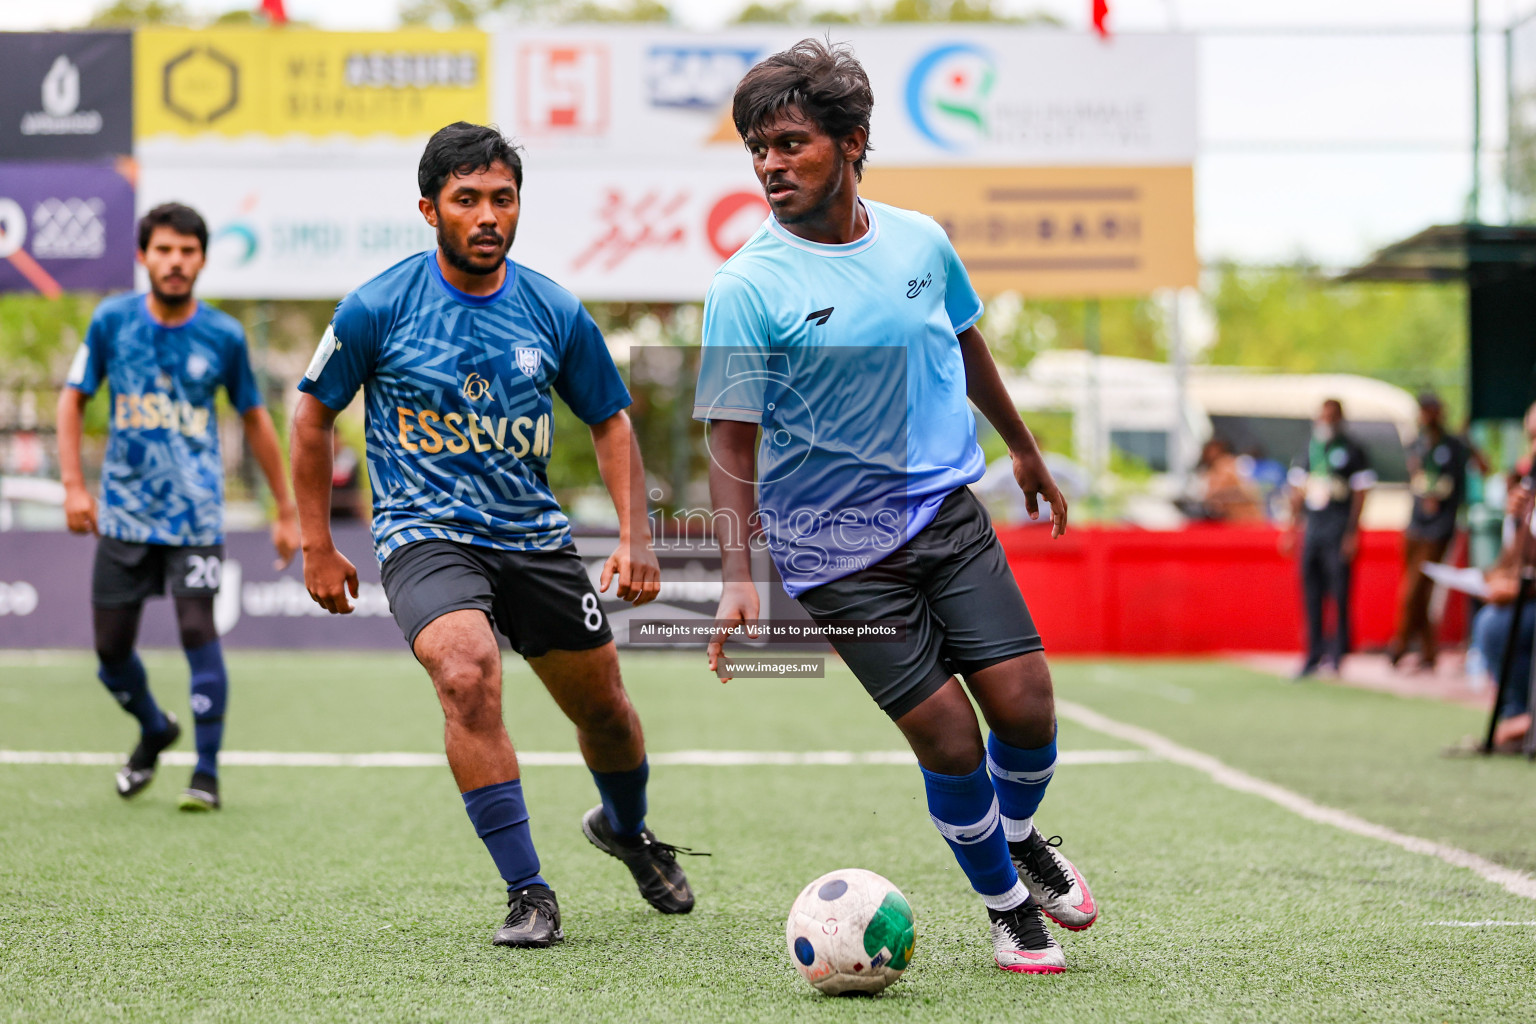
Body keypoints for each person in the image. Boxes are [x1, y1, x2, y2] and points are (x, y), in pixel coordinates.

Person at [695, 41, 1095, 976]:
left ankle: (1023, 838)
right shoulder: (746, 286)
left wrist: (1024, 447)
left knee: (1027, 708)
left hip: (944, 515)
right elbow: (730, 443)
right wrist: (736, 581)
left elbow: (966, 342)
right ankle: (1007, 908)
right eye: (758, 147)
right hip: (834, 555)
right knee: (950, 736)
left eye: (790, 142)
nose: (770, 163)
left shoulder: (920, 241)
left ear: (852, 142)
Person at [289, 122, 699, 950]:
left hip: (534, 539)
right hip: (424, 533)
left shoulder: (553, 309)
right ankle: (528, 891)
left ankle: (627, 829)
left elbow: (612, 421)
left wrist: (637, 536)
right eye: (467, 199)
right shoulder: (377, 305)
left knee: (608, 712)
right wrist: (316, 542)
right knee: (466, 673)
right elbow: (311, 417)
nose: (487, 215)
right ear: (429, 209)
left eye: (502, 199)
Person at [56, 202, 300, 811]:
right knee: (110, 655)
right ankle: (155, 728)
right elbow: (70, 400)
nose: (175, 262)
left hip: (195, 516)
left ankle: (207, 771)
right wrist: (72, 485)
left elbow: (256, 421)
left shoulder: (223, 334)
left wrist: (286, 510)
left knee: (197, 628)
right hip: (122, 517)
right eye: (163, 250)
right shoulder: (112, 321)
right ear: (143, 256)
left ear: (202, 259)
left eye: (187, 251)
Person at [1285, 398, 1374, 677]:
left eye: (1331, 416)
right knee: (1311, 591)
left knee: (1339, 591)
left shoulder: (1352, 449)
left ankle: (1337, 654)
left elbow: (1361, 492)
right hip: (1314, 528)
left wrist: (1352, 533)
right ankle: (1313, 653)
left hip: (1338, 527)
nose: (1326, 421)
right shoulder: (1310, 448)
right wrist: (1291, 527)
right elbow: (1297, 489)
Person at [1387, 392, 1473, 671]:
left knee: (1414, 589)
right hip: (1416, 523)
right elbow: (1414, 477)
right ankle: (1428, 651)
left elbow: (1471, 474)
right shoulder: (1416, 445)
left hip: (1439, 527)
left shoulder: (1455, 445)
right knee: (1417, 590)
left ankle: (1398, 645)